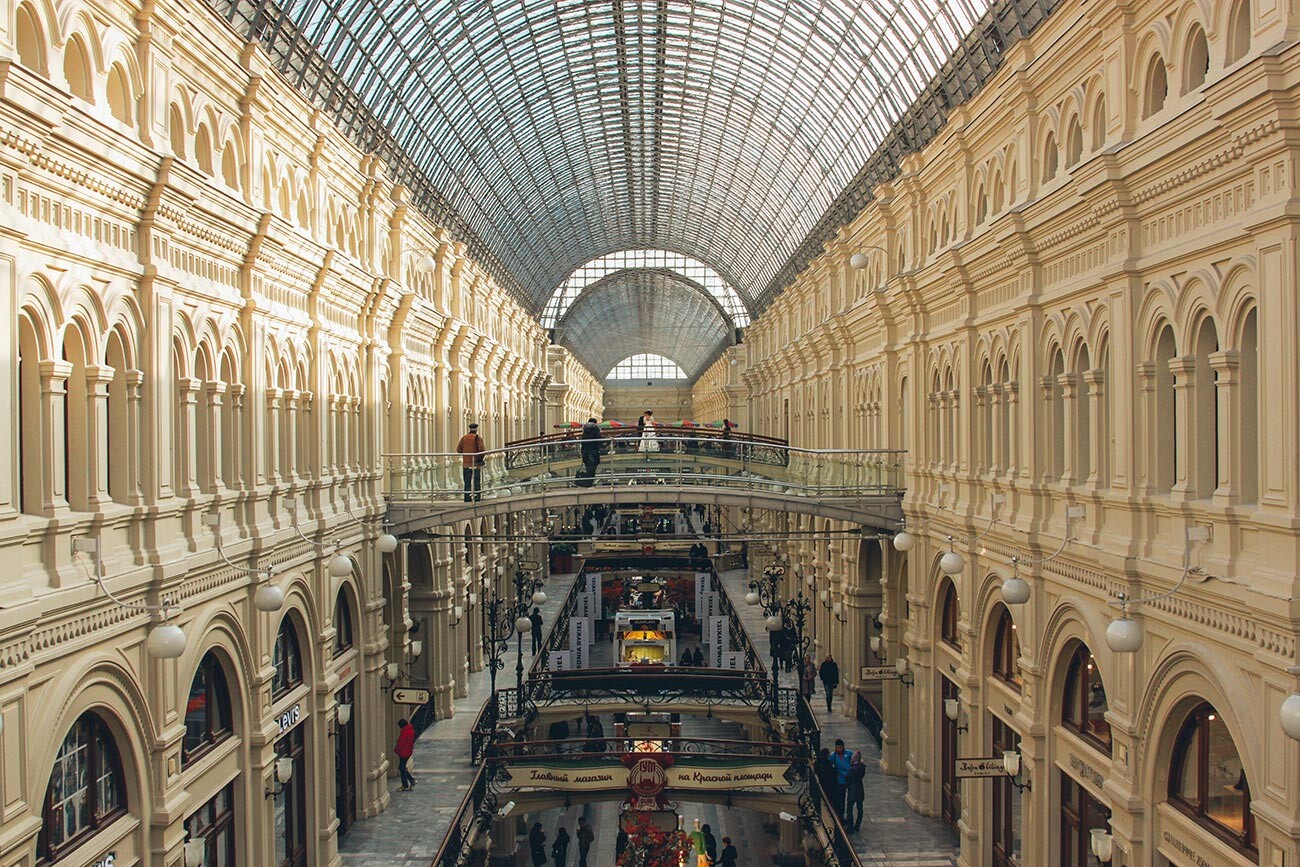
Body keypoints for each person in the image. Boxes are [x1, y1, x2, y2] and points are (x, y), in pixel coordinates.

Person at [455, 422, 485, 502]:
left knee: (467, 482)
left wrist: (466, 454)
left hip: (466, 464)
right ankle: (477, 497)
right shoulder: (478, 438)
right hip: (475, 464)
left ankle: (467, 498)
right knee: (476, 482)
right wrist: (480, 458)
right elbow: (481, 450)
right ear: (476, 429)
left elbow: (458, 449)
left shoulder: (464, 438)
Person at [831, 738, 852, 819]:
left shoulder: (849, 753)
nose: (839, 749)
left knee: (850, 800)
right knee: (841, 799)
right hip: (840, 781)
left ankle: (849, 817)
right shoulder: (833, 756)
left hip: (849, 779)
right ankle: (841, 816)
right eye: (838, 747)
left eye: (840, 747)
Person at [846, 750, 867, 831]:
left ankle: (850, 826)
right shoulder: (862, 767)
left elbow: (847, 778)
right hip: (860, 790)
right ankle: (857, 825)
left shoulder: (852, 769)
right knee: (860, 809)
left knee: (849, 808)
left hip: (852, 790)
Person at [394, 717, 417, 791]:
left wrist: (396, 749)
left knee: (401, 767)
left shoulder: (404, 731)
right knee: (402, 767)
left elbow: (401, 743)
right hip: (408, 751)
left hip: (403, 752)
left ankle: (406, 784)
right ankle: (410, 781)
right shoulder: (410, 730)